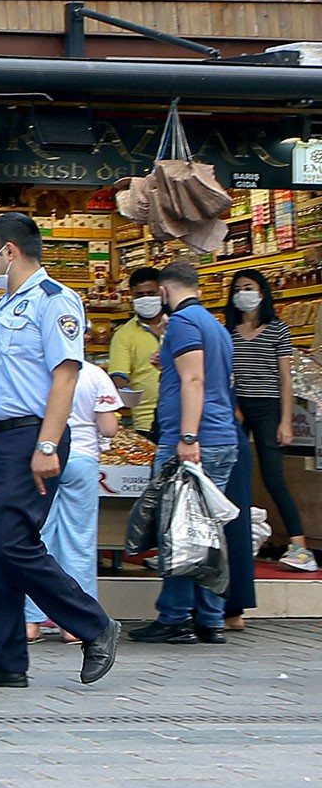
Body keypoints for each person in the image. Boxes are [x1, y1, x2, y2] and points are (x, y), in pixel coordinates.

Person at [0, 211, 120, 688]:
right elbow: (9, 381)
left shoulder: (54, 301)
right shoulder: (5, 306)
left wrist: (47, 443)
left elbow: (64, 375)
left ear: (10, 250)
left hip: (31, 437)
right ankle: (6, 659)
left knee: (14, 543)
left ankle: (95, 626)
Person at [131, 260, 243, 646]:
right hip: (221, 436)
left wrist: (188, 437)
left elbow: (194, 379)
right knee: (207, 531)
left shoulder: (182, 323)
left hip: (197, 440)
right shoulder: (215, 326)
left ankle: (175, 617)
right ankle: (210, 618)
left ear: (163, 291)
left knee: (178, 528)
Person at [25, 359, 120, 643]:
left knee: (35, 539)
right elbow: (109, 428)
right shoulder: (95, 374)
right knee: (79, 541)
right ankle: (75, 624)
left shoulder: (37, 370)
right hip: (82, 457)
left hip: (44, 457)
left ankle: (30, 621)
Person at [226, 270, 314, 573]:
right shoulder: (229, 332)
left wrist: (286, 420)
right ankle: (231, 541)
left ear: (262, 292)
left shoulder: (278, 330)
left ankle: (300, 546)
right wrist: (234, 406)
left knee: (273, 477)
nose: (243, 293)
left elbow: (286, 379)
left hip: (268, 407)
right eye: (237, 289)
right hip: (237, 407)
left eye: (248, 288)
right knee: (229, 475)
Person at [108, 267, 167, 440]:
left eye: (151, 293)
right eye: (139, 295)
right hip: (146, 421)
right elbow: (119, 376)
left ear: (162, 293)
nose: (146, 299)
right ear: (132, 297)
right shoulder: (124, 334)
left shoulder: (179, 325)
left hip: (184, 416)